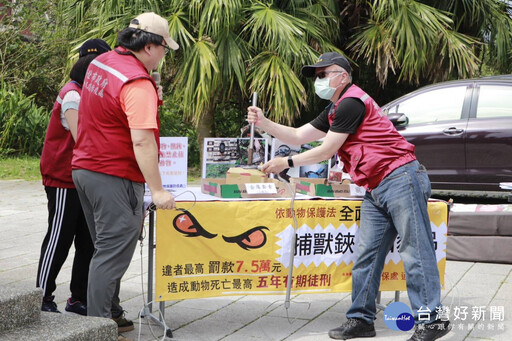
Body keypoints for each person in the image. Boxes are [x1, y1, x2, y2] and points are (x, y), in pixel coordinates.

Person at [247, 52, 451, 341]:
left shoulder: (352, 103)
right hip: (376, 187)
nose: (319, 80)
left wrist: (287, 163)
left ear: (343, 76)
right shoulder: (334, 109)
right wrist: (265, 122)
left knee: (415, 251)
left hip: (400, 178)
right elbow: (296, 135)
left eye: (323, 73)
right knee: (367, 254)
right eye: (316, 76)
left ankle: (432, 320)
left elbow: (326, 150)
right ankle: (361, 321)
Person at [71, 12, 177, 334]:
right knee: (111, 254)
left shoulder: (101, 63)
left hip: (85, 169)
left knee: (104, 249)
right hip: (114, 175)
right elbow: (143, 140)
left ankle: (109, 314)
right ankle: (98, 329)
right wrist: (157, 191)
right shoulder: (137, 82)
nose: (164, 56)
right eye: (164, 49)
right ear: (149, 47)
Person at [38, 39, 111, 315]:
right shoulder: (73, 94)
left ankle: (78, 298)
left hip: (85, 177)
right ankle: (42, 296)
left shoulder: (89, 94)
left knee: (87, 241)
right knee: (60, 237)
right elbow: (83, 138)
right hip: (63, 178)